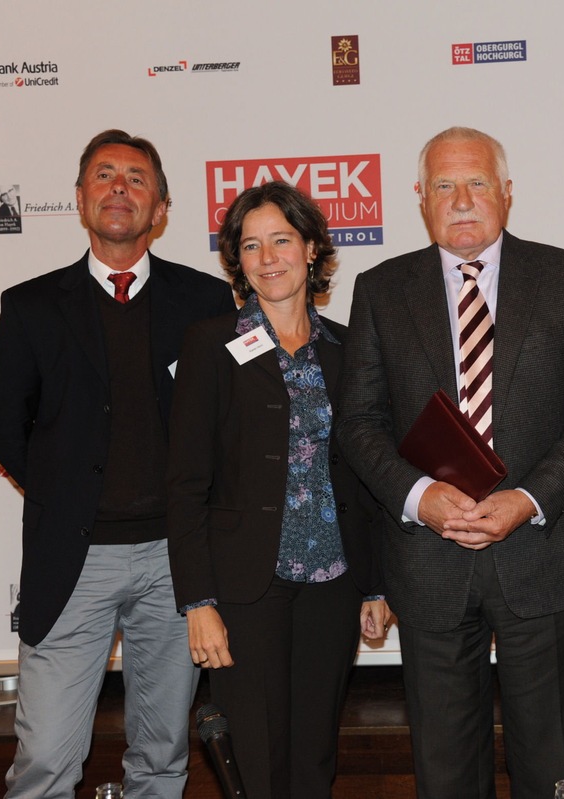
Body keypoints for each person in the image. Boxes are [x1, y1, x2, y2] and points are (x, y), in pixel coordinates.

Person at [336, 126, 564, 798]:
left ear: (507, 193)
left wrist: (526, 499)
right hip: (428, 563)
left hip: (542, 554)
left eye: (476, 183)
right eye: (444, 185)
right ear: (420, 198)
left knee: (551, 764)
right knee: (444, 769)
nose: (461, 199)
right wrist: (419, 497)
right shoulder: (382, 289)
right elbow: (359, 422)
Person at [0, 129, 236, 798]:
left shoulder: (204, 303)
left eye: (136, 177)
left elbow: (231, 419)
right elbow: (1, 427)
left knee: (161, 756)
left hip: (174, 560)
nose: (119, 186)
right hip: (75, 560)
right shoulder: (30, 306)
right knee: (45, 763)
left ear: (160, 208)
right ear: (80, 199)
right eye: (104, 175)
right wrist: (65, 495)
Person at [166, 181, 390, 798]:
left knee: (315, 756)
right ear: (237, 261)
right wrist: (198, 601)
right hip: (244, 589)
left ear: (312, 248)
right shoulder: (211, 345)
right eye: (251, 245)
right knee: (256, 761)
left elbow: (366, 475)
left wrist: (374, 582)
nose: (269, 258)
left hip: (333, 584)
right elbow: (186, 483)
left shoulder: (347, 347)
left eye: (282, 240)